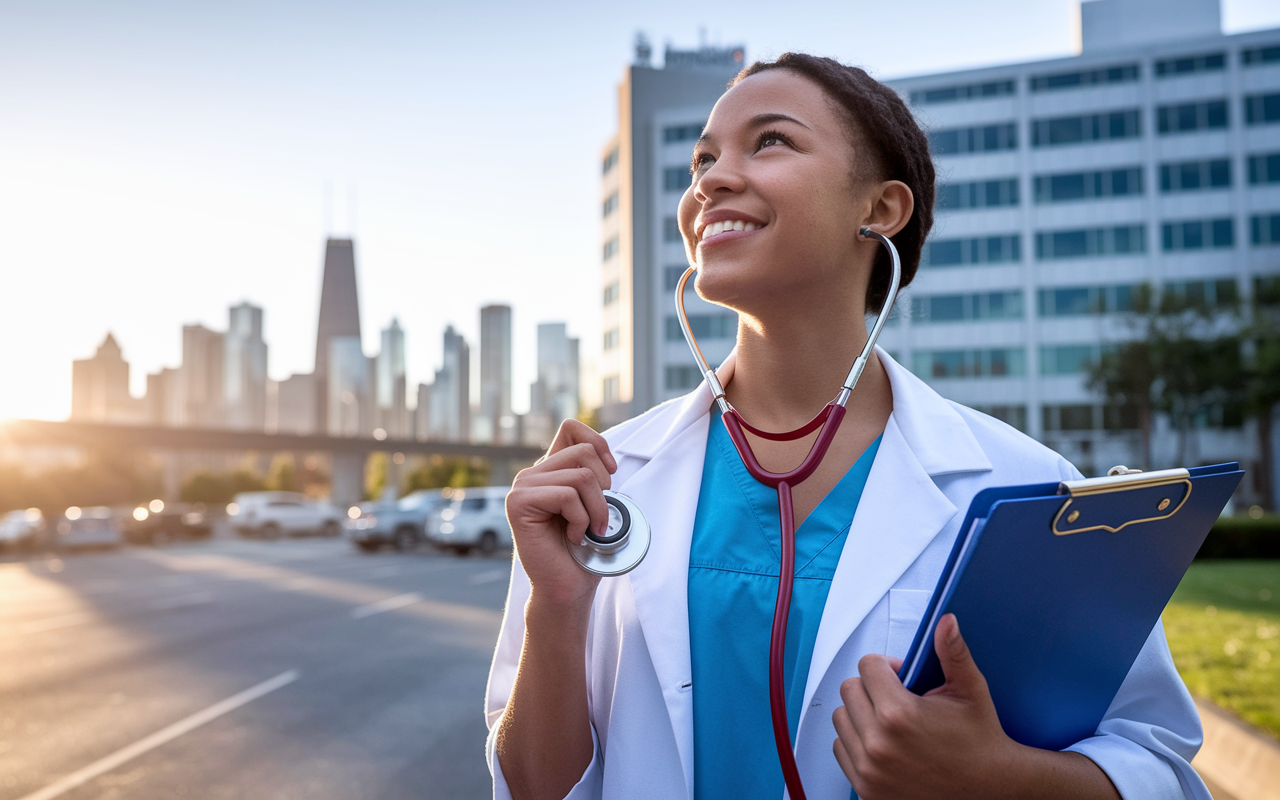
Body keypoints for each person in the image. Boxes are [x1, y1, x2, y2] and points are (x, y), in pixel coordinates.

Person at [485, 53, 1209, 800]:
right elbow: (532, 788)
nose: (710, 179)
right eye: (703, 158)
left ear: (882, 209)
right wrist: (559, 606)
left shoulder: (1027, 485)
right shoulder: (608, 478)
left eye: (769, 142)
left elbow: (1161, 767)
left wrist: (997, 777)